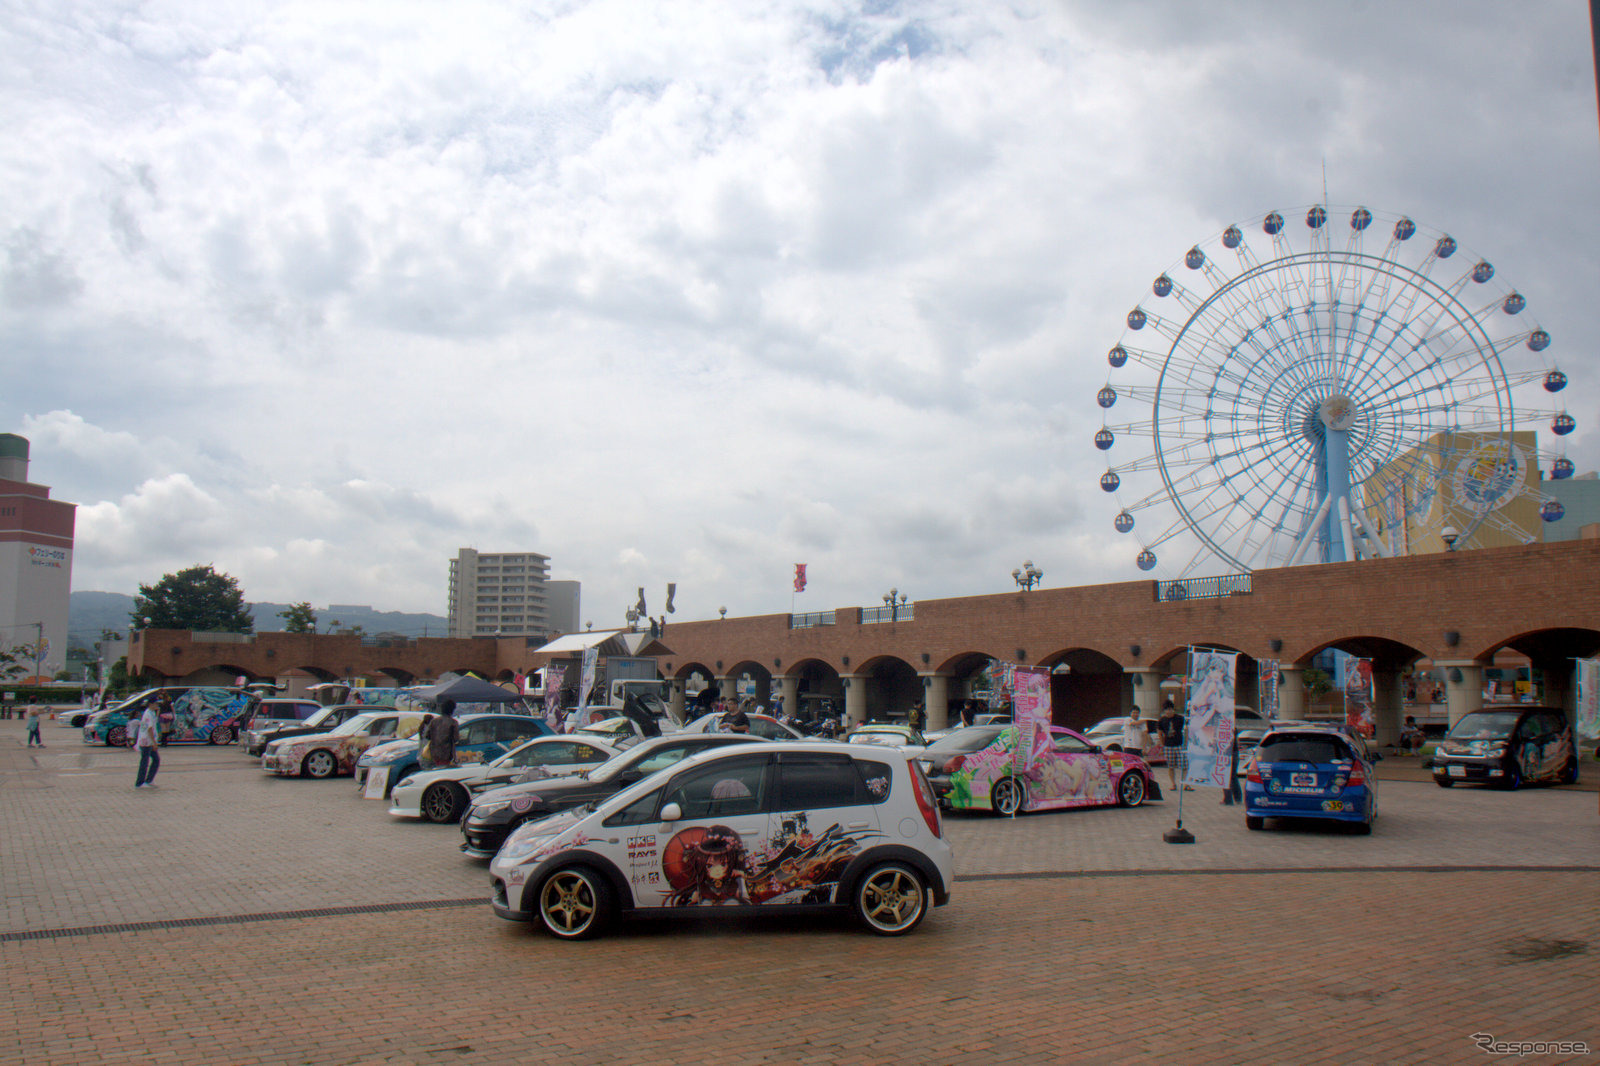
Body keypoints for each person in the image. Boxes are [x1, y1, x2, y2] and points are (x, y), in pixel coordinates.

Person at [1157, 699, 1188, 790]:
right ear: (1164, 710)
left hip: (1179, 745)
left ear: (1173, 709)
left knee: (1184, 765)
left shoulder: (1180, 718)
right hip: (1168, 746)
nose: (1169, 711)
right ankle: (1173, 784)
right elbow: (1160, 733)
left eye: (1170, 709)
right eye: (1167, 709)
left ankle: (1185, 783)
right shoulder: (1162, 720)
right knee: (1171, 766)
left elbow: (1186, 729)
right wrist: (1163, 744)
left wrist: (1185, 743)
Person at [133, 700, 162, 788]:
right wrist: (154, 743)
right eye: (155, 703)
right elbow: (149, 729)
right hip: (146, 741)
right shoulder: (148, 714)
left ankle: (149, 780)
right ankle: (140, 782)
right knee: (145, 761)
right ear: (150, 704)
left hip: (149, 741)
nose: (157, 705)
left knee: (156, 759)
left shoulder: (152, 712)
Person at [426, 700, 459, 768]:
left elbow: (427, 735)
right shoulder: (453, 722)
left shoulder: (434, 721)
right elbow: (456, 738)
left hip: (434, 752)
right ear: (452, 710)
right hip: (446, 753)